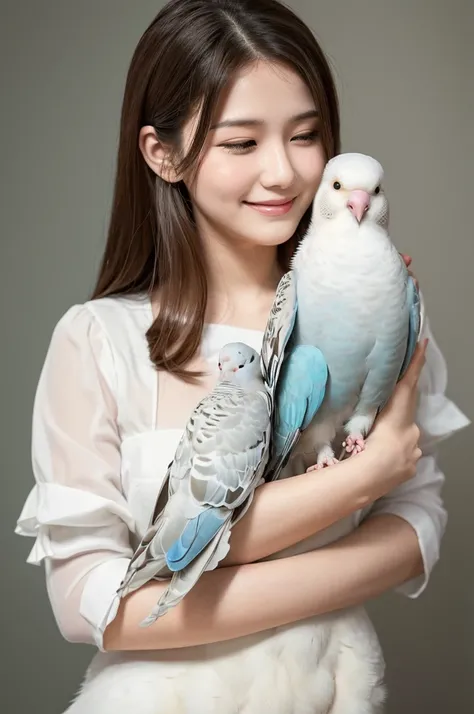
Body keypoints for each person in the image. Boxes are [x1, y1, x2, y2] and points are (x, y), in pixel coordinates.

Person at [15, 1, 469, 712]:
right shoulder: (97, 342)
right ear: (161, 152)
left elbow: (419, 527)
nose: (285, 172)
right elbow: (87, 607)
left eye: (306, 135)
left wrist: (179, 582)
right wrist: (356, 482)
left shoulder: (385, 309)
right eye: (241, 143)